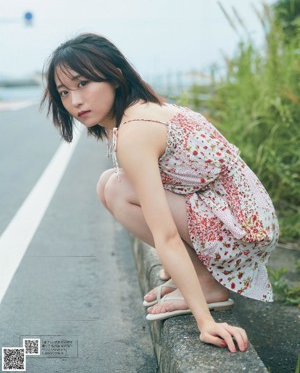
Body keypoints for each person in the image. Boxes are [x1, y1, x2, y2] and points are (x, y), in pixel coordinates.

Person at [41, 33, 279, 354]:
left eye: (83, 84)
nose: (75, 101)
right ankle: (194, 275)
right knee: (109, 182)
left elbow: (165, 234)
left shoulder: (135, 131)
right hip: (242, 215)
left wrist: (205, 322)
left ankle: (207, 284)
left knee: (116, 188)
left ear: (114, 74)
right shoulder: (139, 109)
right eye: (64, 93)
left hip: (241, 229)